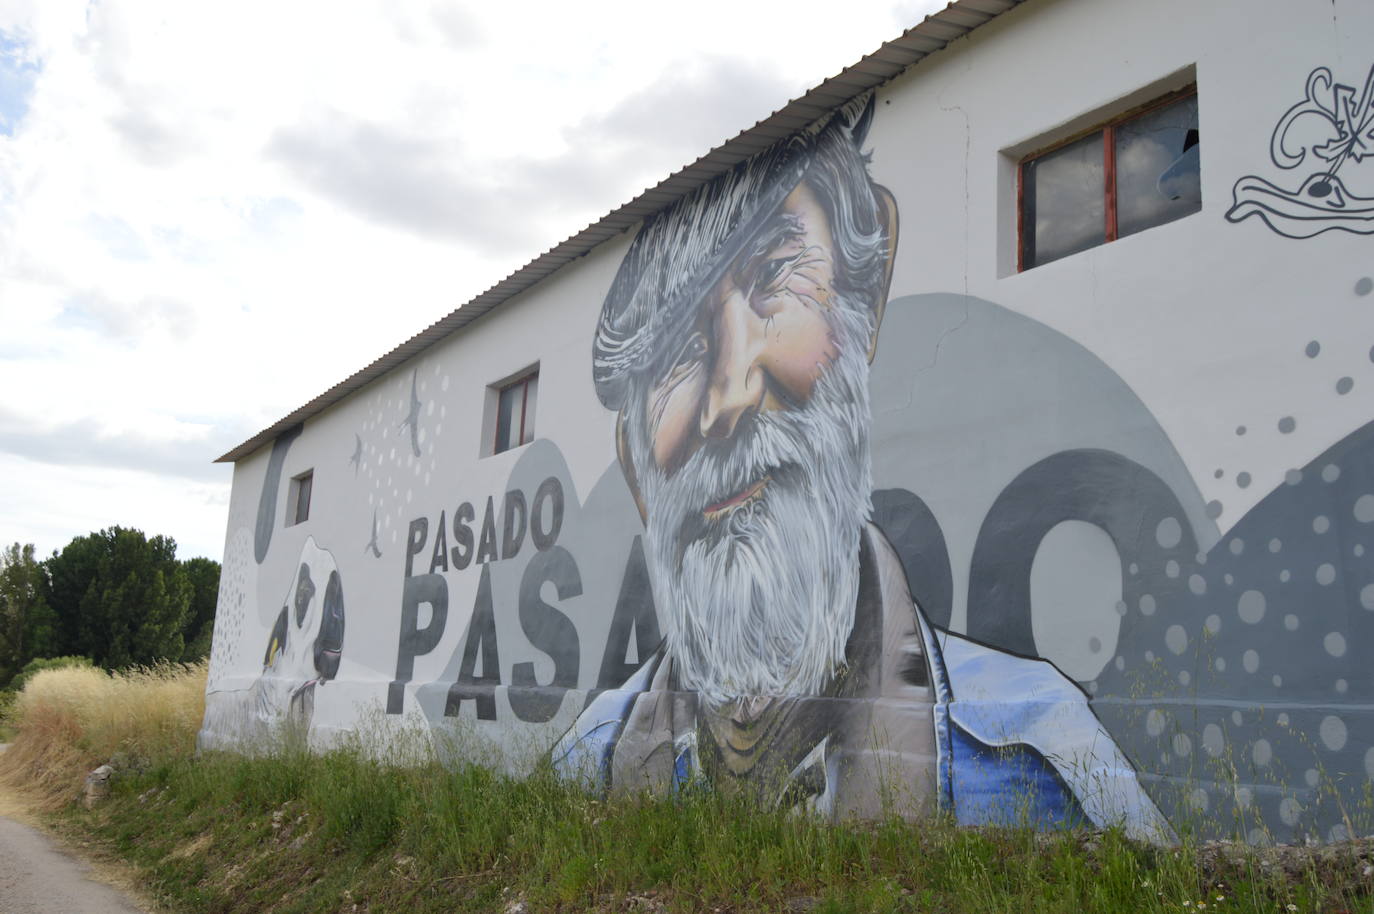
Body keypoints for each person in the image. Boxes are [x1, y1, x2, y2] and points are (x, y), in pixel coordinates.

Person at [554, 96, 1172, 842]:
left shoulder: (1037, 754)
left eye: (773, 277)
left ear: (867, 303)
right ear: (633, 465)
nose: (729, 393)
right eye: (675, 355)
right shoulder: (585, 760)